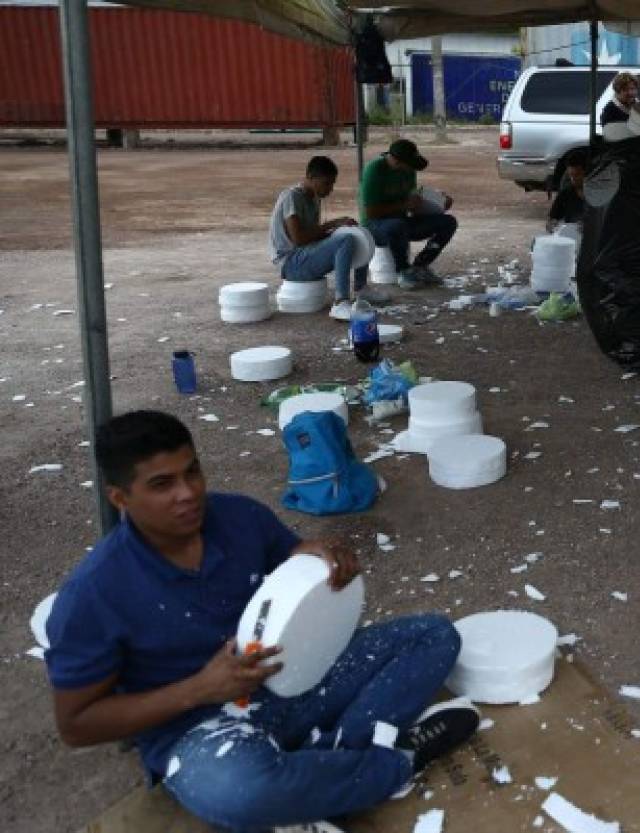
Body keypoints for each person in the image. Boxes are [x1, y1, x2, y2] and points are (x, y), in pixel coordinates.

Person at [44, 411, 479, 832]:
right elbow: (77, 724)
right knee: (240, 793)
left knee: (433, 636)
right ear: (120, 498)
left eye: (192, 472)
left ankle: (327, 765)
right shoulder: (92, 595)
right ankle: (393, 762)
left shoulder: (239, 517)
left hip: (294, 678)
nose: (188, 493)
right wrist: (200, 688)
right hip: (199, 728)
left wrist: (321, 558)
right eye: (162, 484)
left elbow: (291, 564)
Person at [269, 155, 389, 322]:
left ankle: (361, 288)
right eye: (327, 183)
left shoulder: (314, 199)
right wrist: (333, 224)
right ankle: (341, 302)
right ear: (311, 177)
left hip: (305, 254)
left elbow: (314, 236)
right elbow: (299, 239)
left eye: (332, 184)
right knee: (345, 239)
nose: (330, 189)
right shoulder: (291, 196)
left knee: (358, 234)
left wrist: (339, 229)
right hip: (290, 263)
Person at [360, 139, 458, 289]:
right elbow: (371, 212)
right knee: (396, 225)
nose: (412, 169)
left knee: (448, 222)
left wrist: (437, 203)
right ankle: (403, 270)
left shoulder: (409, 170)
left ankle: (420, 266)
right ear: (397, 161)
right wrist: (404, 205)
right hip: (375, 225)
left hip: (401, 221)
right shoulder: (374, 169)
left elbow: (412, 203)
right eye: (409, 165)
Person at [546, 148, 587, 232]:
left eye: (577, 175)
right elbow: (552, 219)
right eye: (571, 175)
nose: (573, 179)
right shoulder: (565, 193)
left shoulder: (598, 195)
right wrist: (552, 224)